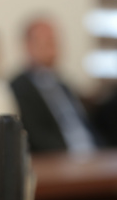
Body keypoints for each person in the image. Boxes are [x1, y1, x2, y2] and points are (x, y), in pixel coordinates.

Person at [10, 17, 97, 153]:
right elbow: (36, 136)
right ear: (28, 45)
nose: (52, 48)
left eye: (53, 41)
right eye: (45, 42)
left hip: (91, 153)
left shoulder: (63, 85)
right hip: (60, 157)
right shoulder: (18, 87)